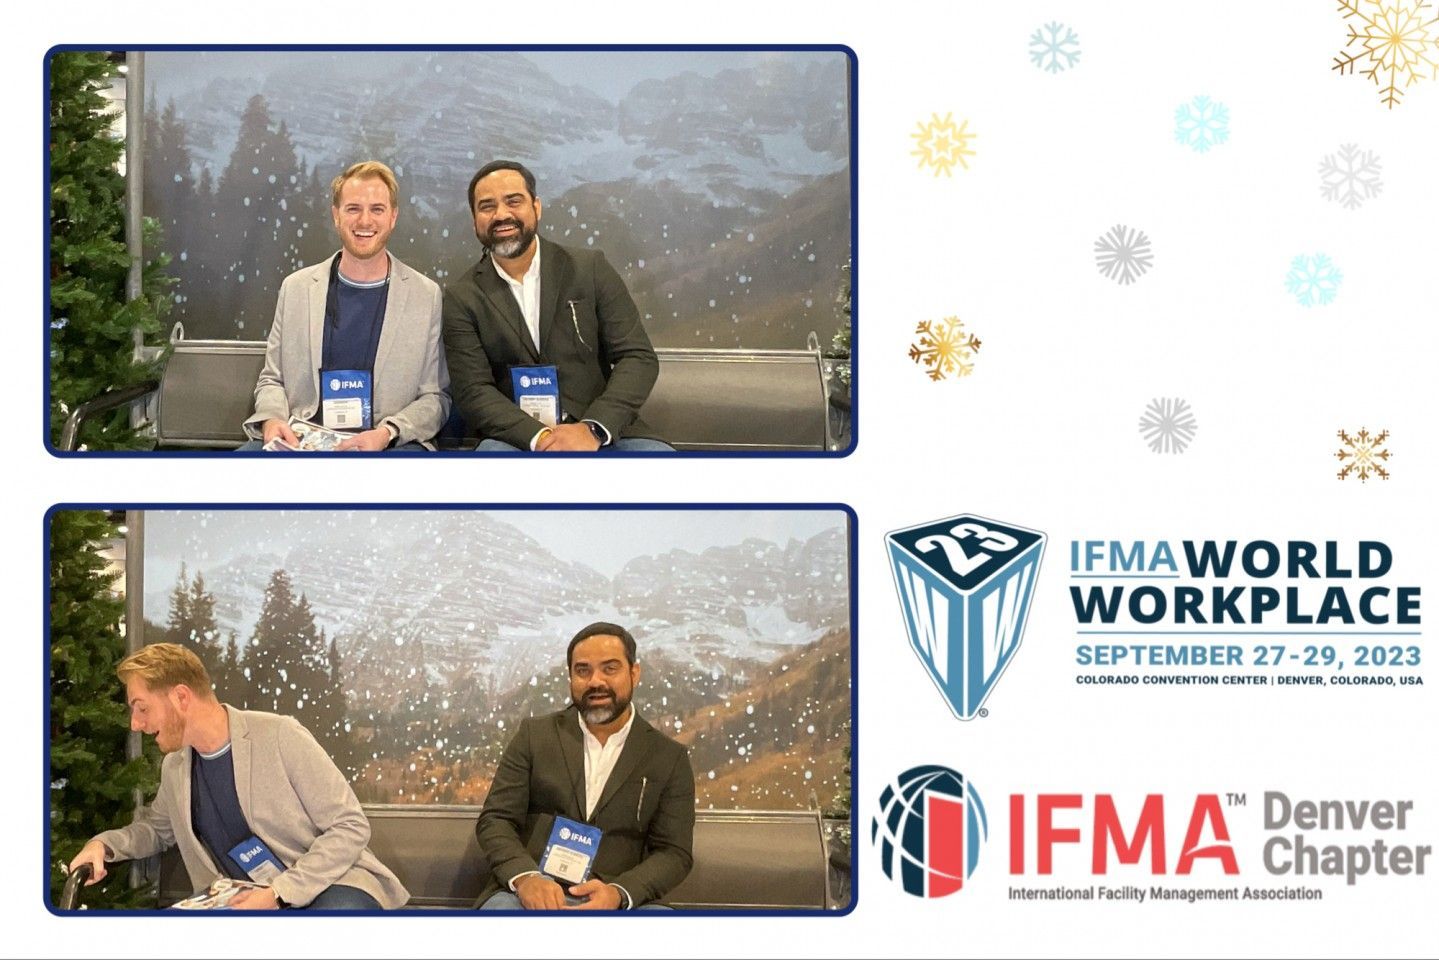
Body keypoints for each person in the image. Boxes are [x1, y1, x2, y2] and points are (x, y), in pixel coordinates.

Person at [67, 643, 408, 910]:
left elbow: (349, 826)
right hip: (243, 900)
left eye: (142, 707)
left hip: (329, 885)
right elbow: (156, 831)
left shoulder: (280, 735)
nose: (135, 724)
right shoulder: (175, 767)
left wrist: (279, 893)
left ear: (181, 697)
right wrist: (104, 845)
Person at [441, 161, 674, 452]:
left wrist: (592, 429)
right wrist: (542, 439)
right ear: (475, 220)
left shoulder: (589, 269)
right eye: (487, 206)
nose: (501, 214)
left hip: (604, 432)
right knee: (491, 462)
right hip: (516, 439)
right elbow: (473, 391)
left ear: (536, 207)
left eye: (514, 201)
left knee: (663, 467)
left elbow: (638, 357)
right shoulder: (462, 297)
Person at [475, 622, 695, 910]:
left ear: (634, 673)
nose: (595, 681)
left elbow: (674, 852)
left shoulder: (668, 757)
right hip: (528, 897)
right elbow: (495, 820)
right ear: (570, 678)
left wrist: (619, 893)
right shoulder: (534, 736)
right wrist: (526, 878)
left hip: (615, 901)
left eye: (610, 668)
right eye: (583, 670)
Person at [241, 161, 449, 451]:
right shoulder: (296, 288)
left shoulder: (426, 296)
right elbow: (272, 380)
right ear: (336, 216)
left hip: (387, 446)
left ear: (393, 217)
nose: (365, 221)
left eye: (377, 209)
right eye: (353, 209)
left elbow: (435, 398)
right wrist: (272, 420)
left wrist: (388, 433)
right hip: (302, 443)